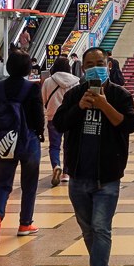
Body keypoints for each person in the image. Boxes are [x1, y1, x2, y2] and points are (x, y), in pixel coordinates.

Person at [53, 46, 134, 266]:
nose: (94, 68)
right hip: (78, 175)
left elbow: (129, 125)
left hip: (107, 177)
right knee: (88, 229)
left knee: (101, 228)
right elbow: (59, 124)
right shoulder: (74, 94)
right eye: (89, 64)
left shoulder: (120, 95)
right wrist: (80, 107)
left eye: (99, 63)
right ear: (82, 68)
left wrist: (104, 105)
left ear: (108, 65)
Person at [0, 51, 45, 245]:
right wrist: (40, 133)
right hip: (28, 139)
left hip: (4, 139)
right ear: (28, 67)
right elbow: (38, 114)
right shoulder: (32, 87)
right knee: (29, 184)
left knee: (3, 184)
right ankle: (25, 224)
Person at [41, 57, 80, 186]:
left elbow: (43, 99)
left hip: (53, 117)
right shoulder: (76, 81)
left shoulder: (48, 81)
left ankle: (56, 166)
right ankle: (66, 173)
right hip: (71, 117)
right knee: (69, 145)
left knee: (54, 146)